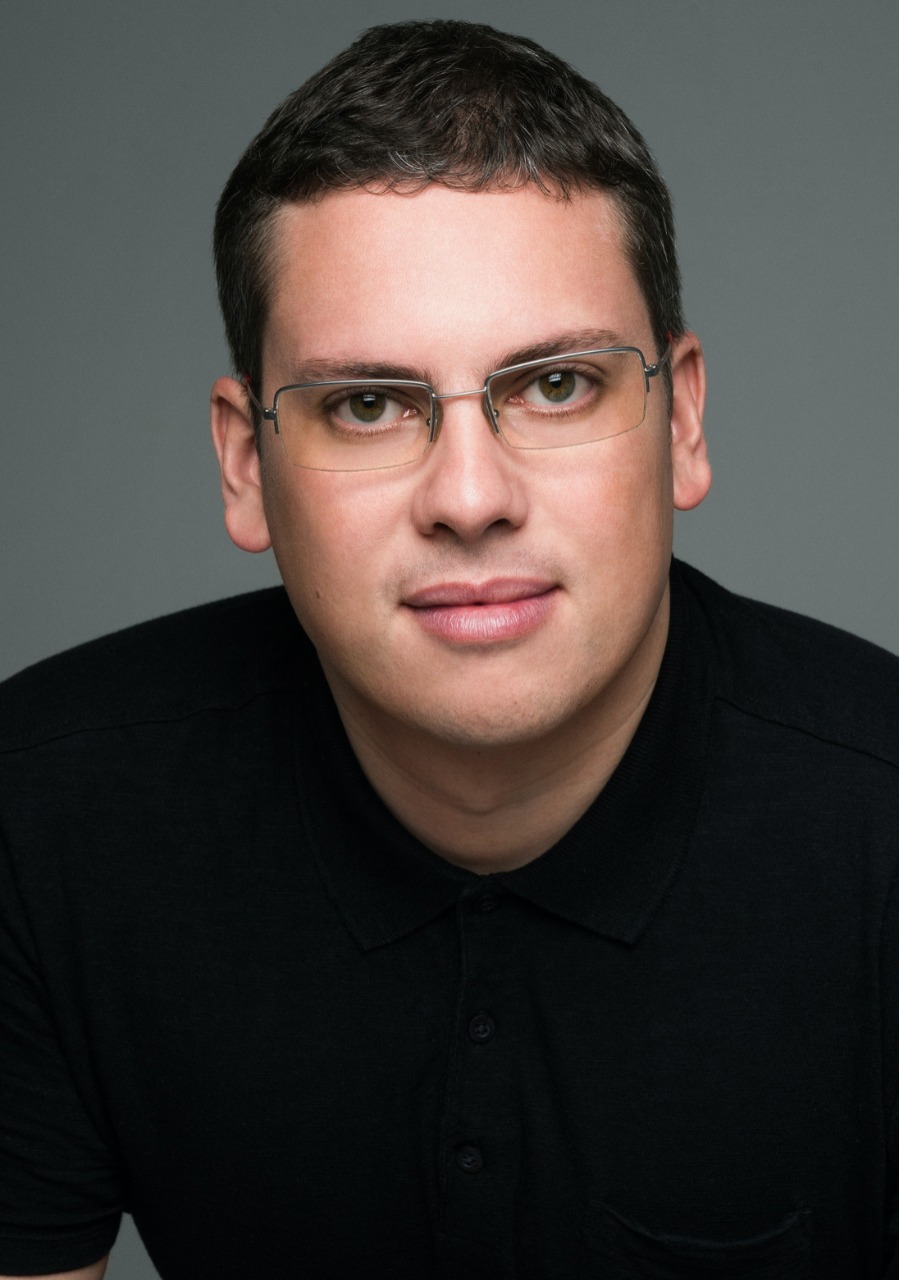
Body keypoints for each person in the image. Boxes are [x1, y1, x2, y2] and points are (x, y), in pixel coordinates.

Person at [1, 17, 897, 1279]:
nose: (469, 497)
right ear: (246, 463)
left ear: (680, 420)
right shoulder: (39, 819)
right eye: (366, 404)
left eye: (555, 385)